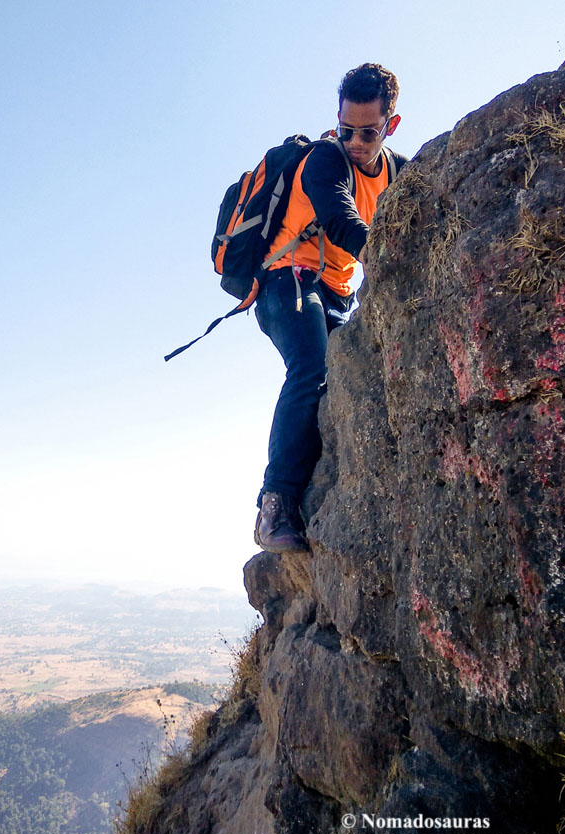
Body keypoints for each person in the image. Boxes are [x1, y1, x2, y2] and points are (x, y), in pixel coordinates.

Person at [253, 63, 407, 553]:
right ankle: (273, 505)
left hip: (336, 295)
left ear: (391, 125)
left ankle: (314, 492)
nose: (356, 141)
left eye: (369, 131)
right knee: (311, 367)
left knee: (342, 381)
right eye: (347, 129)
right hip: (286, 280)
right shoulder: (324, 160)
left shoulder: (398, 171)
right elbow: (342, 219)